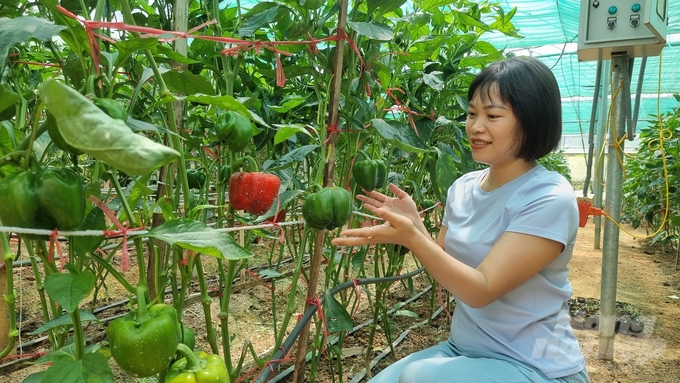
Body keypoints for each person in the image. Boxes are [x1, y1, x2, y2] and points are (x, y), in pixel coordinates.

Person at [332, 56, 590, 383]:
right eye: (471, 114)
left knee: (417, 378)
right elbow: (448, 270)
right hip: (465, 350)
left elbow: (480, 290)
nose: (475, 126)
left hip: (534, 365)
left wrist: (413, 238)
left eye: (493, 115)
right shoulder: (464, 187)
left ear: (534, 120)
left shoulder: (548, 197)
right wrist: (417, 229)